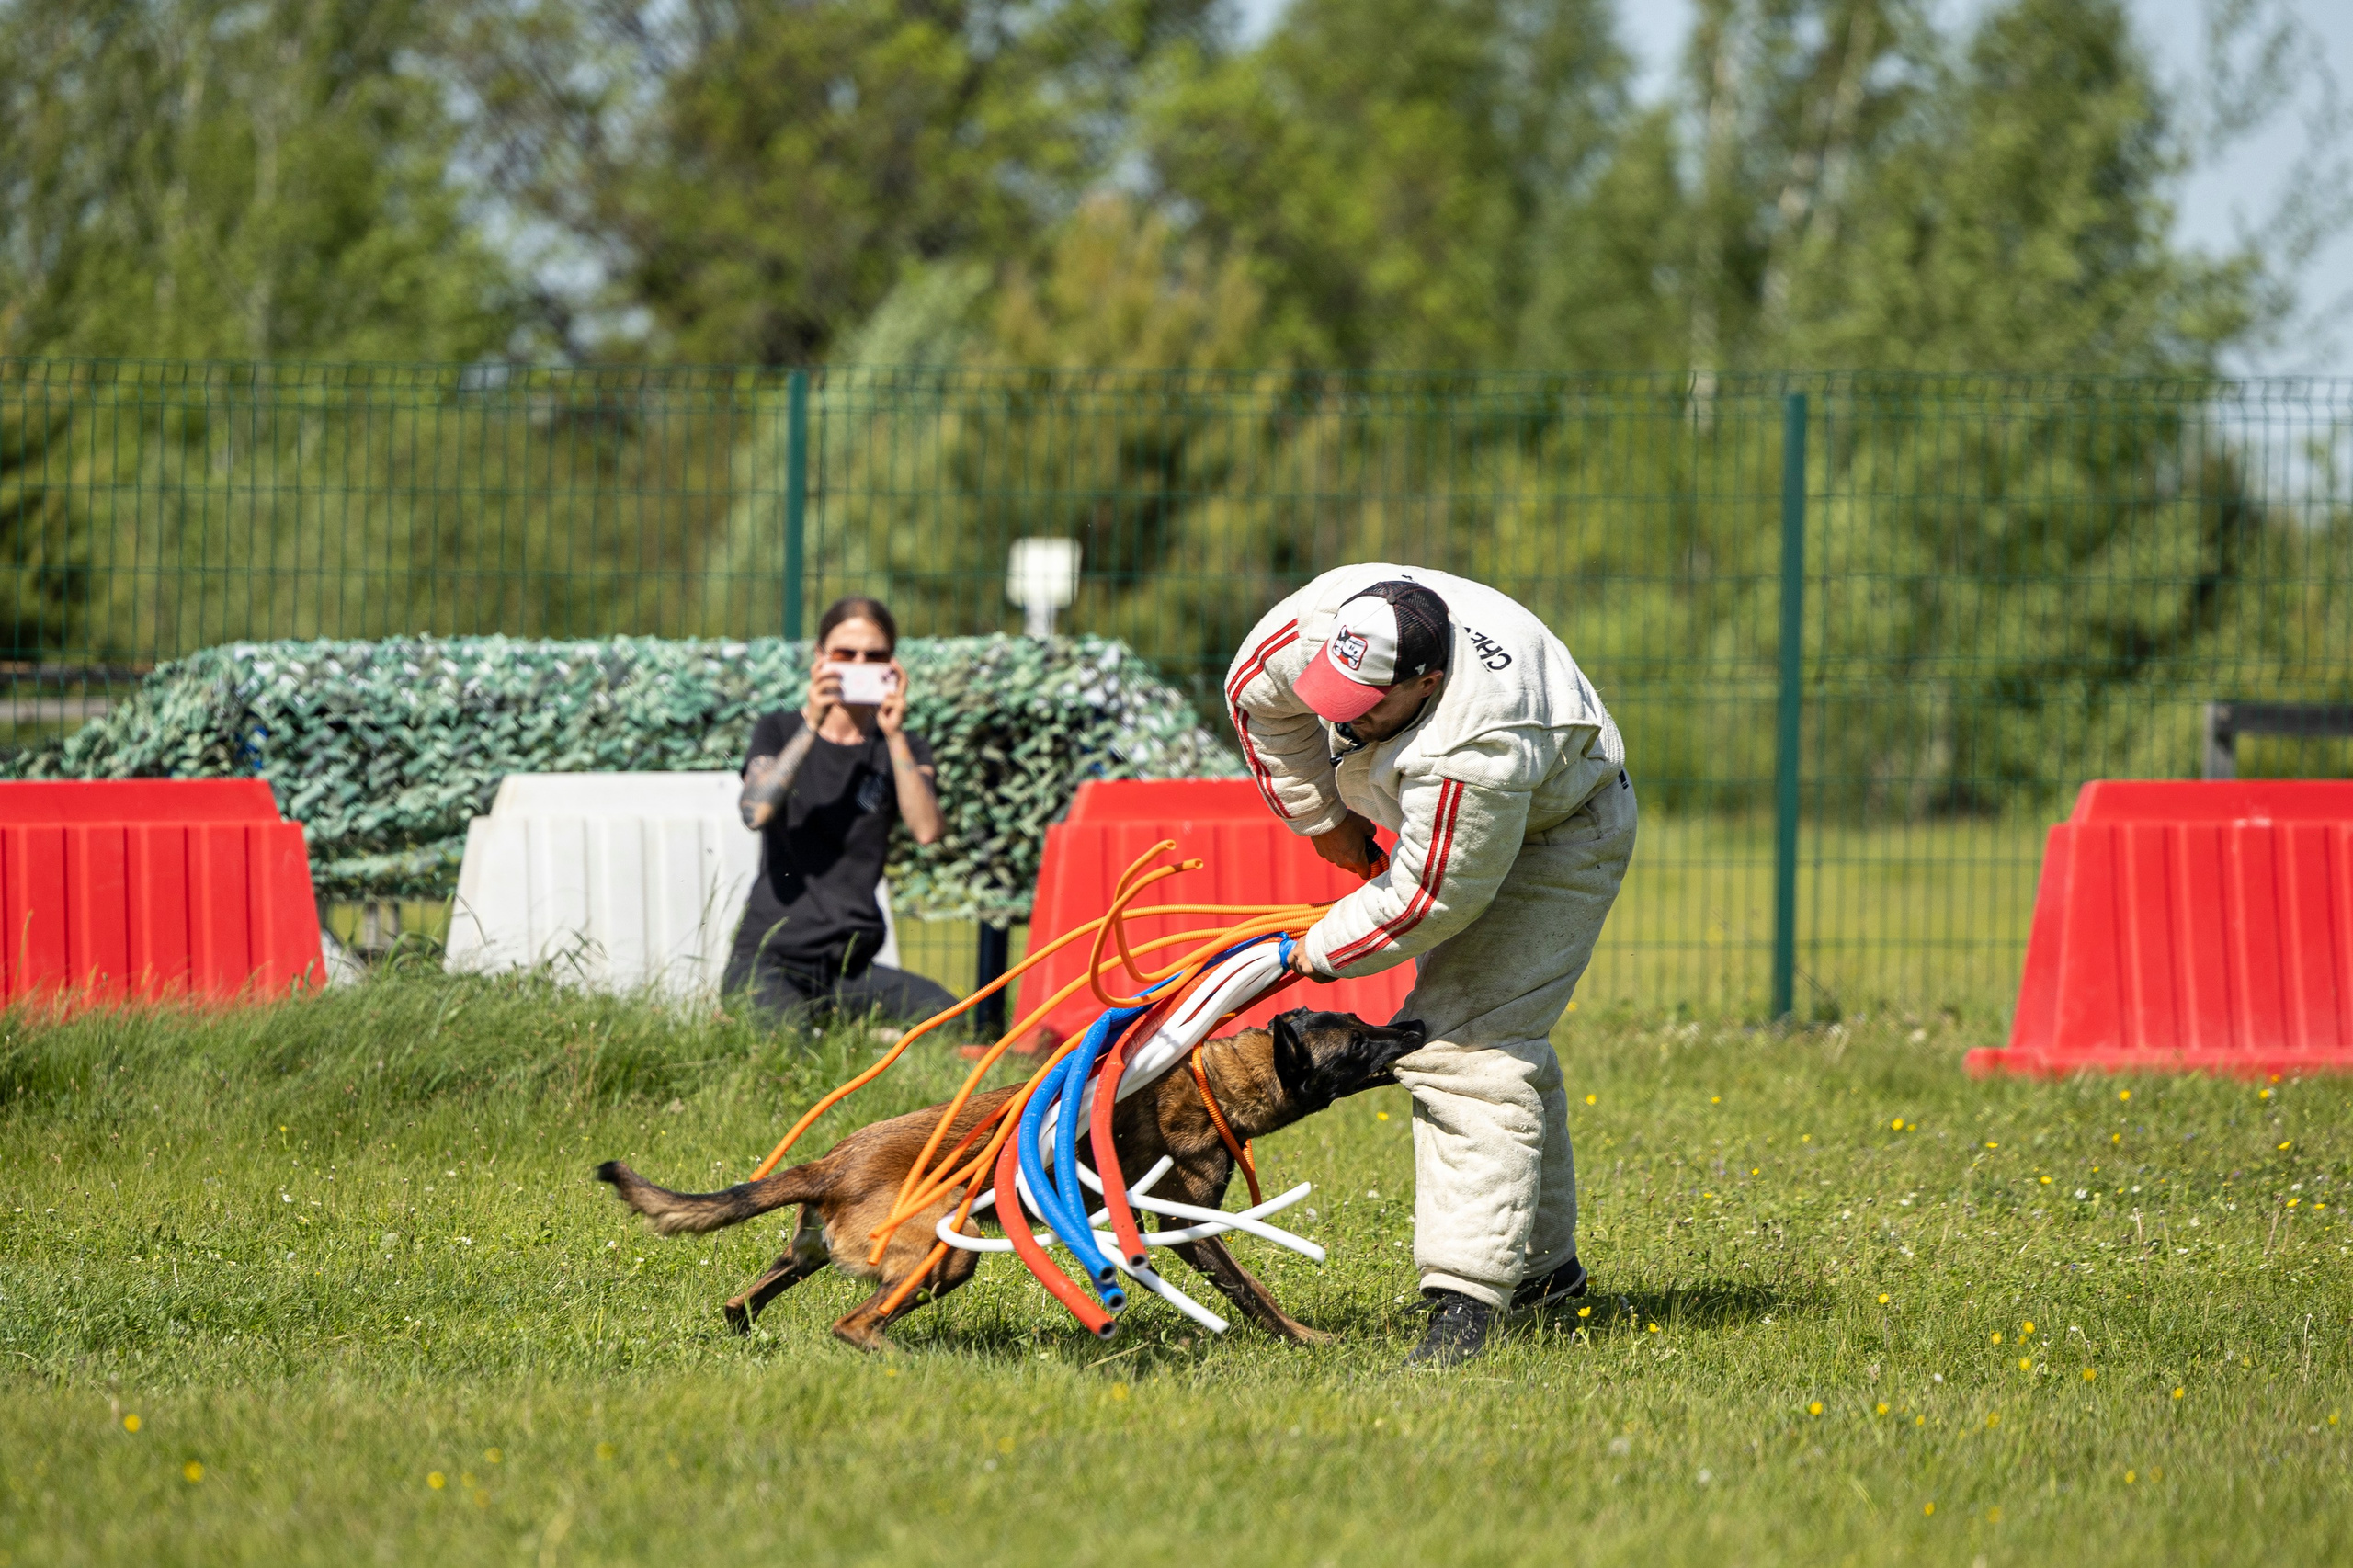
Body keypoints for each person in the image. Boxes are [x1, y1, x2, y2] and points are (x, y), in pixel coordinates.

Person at [1225, 566, 1634, 1369]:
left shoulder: (1480, 743)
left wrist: (1308, 953)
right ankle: (1548, 1282)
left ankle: (1466, 1305)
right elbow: (1256, 696)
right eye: (1332, 697)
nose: (1342, 721)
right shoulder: (1323, 622)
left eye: (1366, 709)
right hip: (1446, 817)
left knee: (1465, 1050)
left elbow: (1425, 902)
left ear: (1429, 682)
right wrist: (1320, 817)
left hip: (1558, 832)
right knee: (1501, 1041)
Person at [722, 596, 957, 1033]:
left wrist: (894, 735)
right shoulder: (779, 729)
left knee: (952, 1021)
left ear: (893, 665)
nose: (859, 665)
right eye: (845, 654)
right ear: (820, 658)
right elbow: (755, 811)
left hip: (848, 969)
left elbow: (927, 829)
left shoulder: (902, 746)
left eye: (874, 657)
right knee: (787, 1053)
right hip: (770, 960)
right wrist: (812, 723)